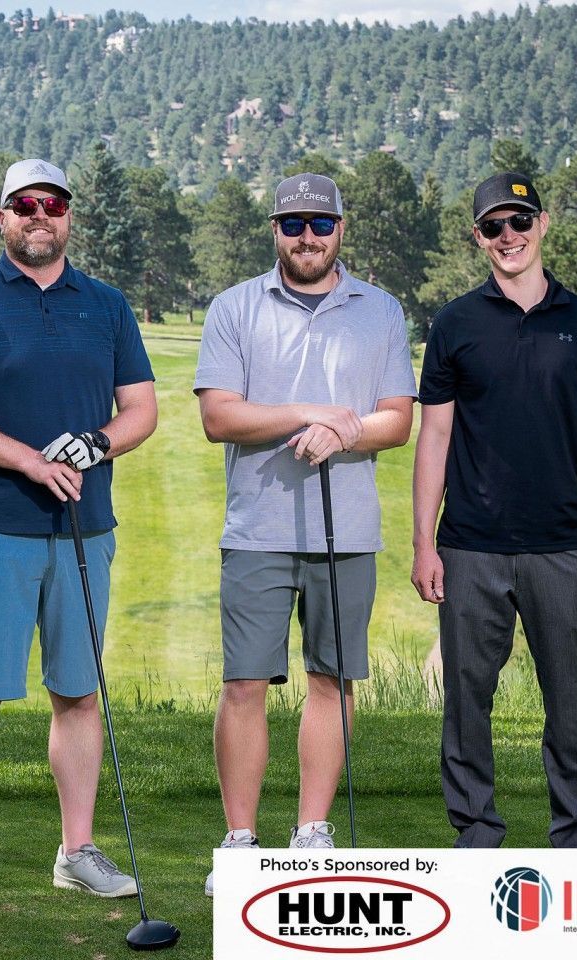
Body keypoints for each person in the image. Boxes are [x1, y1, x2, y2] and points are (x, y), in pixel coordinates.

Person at [0, 158, 158, 913]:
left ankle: (75, 849)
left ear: (68, 216)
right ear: (2, 218)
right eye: (23, 205)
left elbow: (141, 408)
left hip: (85, 531)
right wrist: (26, 458)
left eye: (51, 204)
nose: (38, 215)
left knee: (77, 694)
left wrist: (96, 443)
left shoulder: (106, 304)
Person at [194, 173, 417, 894]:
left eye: (319, 224)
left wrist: (339, 433)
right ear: (274, 230)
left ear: (340, 229)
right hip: (255, 528)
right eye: (293, 224)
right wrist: (310, 413)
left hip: (344, 529)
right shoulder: (234, 307)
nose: (307, 238)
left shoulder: (380, 310)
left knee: (332, 679)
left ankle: (311, 830)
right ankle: (238, 838)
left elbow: (395, 420)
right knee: (243, 684)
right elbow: (219, 417)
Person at [411, 171, 577, 849]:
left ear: (541, 225)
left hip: (562, 544)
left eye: (518, 222)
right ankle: (476, 831)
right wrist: (423, 542)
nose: (507, 236)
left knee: (569, 701)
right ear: (477, 238)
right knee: (467, 702)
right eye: (492, 227)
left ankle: (575, 832)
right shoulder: (454, 323)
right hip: (471, 546)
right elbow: (435, 437)